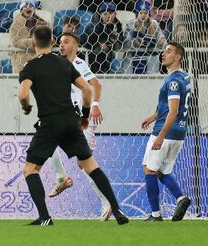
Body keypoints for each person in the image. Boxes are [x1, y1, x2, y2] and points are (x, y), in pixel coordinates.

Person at [18, 25, 129, 226]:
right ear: (52, 42)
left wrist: (26, 107)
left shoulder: (30, 67)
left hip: (49, 123)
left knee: (30, 170)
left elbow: (23, 95)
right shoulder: (64, 63)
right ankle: (117, 209)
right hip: (71, 120)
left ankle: (45, 217)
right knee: (89, 164)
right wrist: (85, 115)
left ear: (34, 43)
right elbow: (88, 89)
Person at [45, 32, 112, 221]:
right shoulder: (58, 63)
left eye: (66, 42)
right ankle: (62, 177)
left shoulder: (80, 64)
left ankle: (107, 202)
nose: (62, 45)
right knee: (46, 141)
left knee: (85, 163)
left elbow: (96, 85)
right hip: (67, 117)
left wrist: (95, 106)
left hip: (83, 118)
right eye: (60, 42)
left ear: (75, 45)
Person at [140, 42, 191, 221]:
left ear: (178, 57)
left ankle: (155, 215)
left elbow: (174, 110)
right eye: (164, 51)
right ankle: (181, 198)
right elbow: (169, 105)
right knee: (162, 171)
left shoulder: (173, 80)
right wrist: (154, 116)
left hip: (166, 132)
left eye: (169, 52)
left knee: (149, 169)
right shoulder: (184, 76)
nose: (163, 54)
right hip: (179, 134)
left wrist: (160, 136)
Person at [125, 0, 166, 74]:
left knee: (153, 59)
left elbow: (162, 40)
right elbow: (126, 43)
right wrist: (133, 42)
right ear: (137, 14)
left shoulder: (154, 24)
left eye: (145, 13)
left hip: (151, 56)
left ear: (149, 14)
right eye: (141, 13)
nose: (143, 15)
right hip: (134, 54)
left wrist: (161, 42)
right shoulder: (131, 24)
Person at [9, 0, 48, 73]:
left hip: (39, 59)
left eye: (31, 6)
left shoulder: (43, 24)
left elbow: (47, 39)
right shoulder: (15, 25)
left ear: (34, 9)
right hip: (22, 60)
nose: (28, 8)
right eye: (25, 6)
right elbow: (15, 41)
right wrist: (33, 42)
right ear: (21, 10)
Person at [86, 2, 124, 73]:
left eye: (110, 13)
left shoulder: (117, 24)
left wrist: (116, 40)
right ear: (100, 15)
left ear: (115, 14)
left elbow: (121, 38)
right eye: (105, 14)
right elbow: (86, 41)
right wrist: (99, 44)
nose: (108, 16)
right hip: (95, 55)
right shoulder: (95, 26)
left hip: (109, 52)